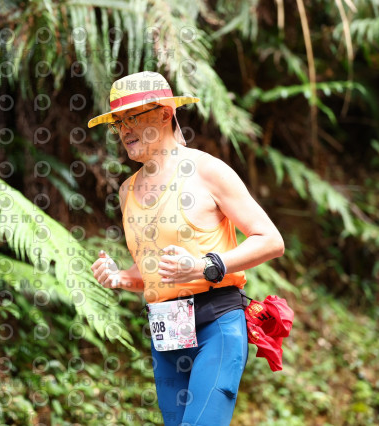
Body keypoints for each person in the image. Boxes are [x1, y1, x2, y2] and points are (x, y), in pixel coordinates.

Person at [88, 71, 285, 426]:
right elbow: (152, 272)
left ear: (165, 113)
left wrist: (204, 266)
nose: (124, 129)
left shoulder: (207, 171)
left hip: (217, 327)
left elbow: (270, 240)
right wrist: (120, 278)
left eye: (133, 117)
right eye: (118, 122)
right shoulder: (127, 191)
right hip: (167, 335)